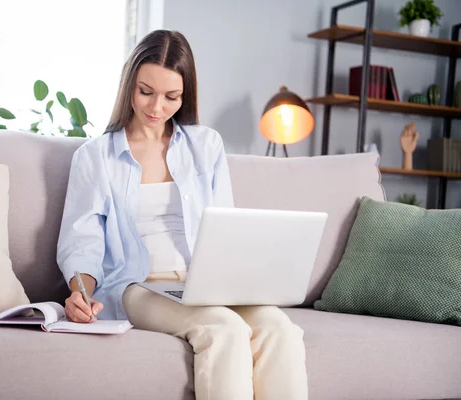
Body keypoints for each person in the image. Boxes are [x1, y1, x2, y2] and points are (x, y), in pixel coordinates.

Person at [56, 29, 307, 400]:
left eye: (171, 97)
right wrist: (80, 293)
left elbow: (227, 227)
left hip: (204, 282)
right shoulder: (96, 156)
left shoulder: (206, 146)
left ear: (185, 95)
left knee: (279, 328)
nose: (157, 107)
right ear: (129, 85)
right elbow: (82, 243)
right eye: (146, 92)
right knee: (224, 329)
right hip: (139, 285)